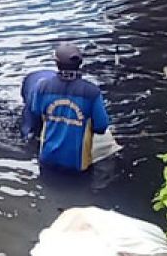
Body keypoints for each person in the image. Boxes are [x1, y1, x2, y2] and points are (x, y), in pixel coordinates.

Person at [21, 43, 110, 172]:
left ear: (56, 63)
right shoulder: (92, 92)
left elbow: (35, 111)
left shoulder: (42, 87)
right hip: (78, 164)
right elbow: (101, 127)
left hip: (46, 160)